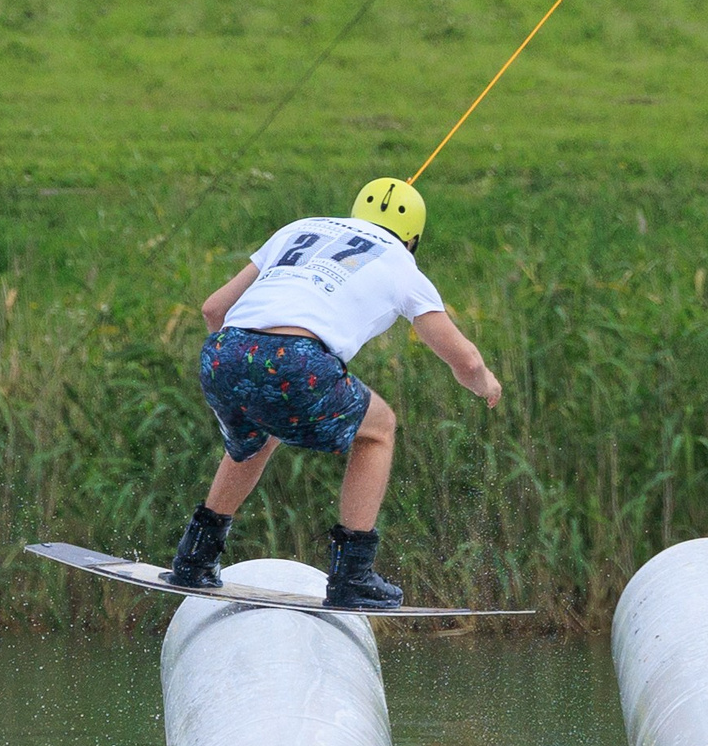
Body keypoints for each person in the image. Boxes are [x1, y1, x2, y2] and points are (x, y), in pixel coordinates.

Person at [168, 178, 501, 609]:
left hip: (222, 352)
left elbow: (213, 308)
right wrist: (486, 384)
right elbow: (466, 362)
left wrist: (242, 361)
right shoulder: (402, 263)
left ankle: (195, 557)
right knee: (379, 428)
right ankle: (352, 576)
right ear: (413, 239)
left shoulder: (300, 228)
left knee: (258, 433)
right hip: (297, 361)